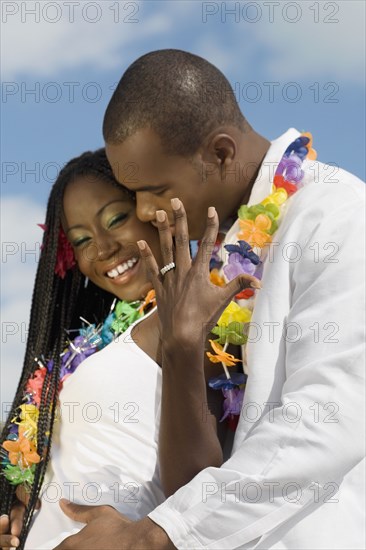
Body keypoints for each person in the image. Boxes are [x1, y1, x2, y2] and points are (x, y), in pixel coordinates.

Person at [53, 50, 365, 549]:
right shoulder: (216, 260)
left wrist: (153, 538)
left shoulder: (336, 217)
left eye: (155, 191)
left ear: (220, 154)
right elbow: (196, 470)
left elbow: (328, 418)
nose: (148, 212)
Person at [0, 148, 257, 550]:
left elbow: (196, 486)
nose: (102, 249)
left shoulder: (191, 311)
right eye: (82, 240)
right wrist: (20, 509)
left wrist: (182, 339)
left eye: (116, 219)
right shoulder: (84, 348)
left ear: (152, 208)